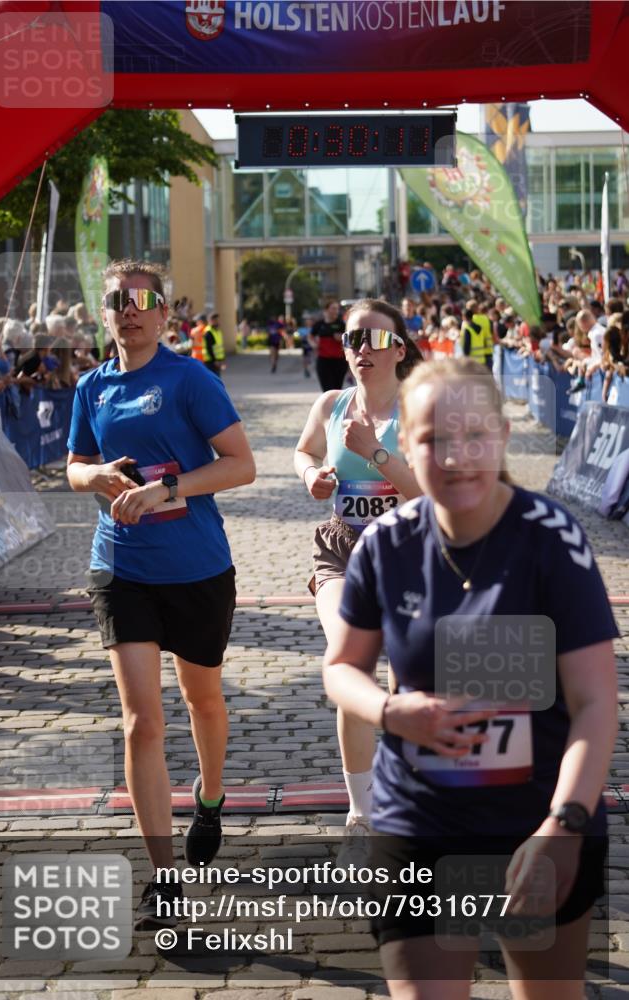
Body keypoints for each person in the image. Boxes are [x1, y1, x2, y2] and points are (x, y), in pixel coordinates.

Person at [323, 357, 618, 999]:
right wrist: (388, 711)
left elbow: (596, 703)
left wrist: (563, 825)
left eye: (475, 438)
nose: (457, 458)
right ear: (402, 443)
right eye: (433, 440)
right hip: (419, 817)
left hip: (537, 817)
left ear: (504, 438)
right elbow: (342, 667)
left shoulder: (552, 541)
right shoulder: (386, 545)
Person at [66, 259, 255, 930]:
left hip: (198, 568)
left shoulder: (189, 378)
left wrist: (167, 490)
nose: (129, 309)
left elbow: (242, 464)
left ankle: (209, 796)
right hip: (121, 568)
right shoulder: (91, 386)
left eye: (143, 299)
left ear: (164, 314)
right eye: (118, 299)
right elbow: (73, 464)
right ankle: (164, 877)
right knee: (142, 719)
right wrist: (91, 478)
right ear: (105, 309)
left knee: (202, 700)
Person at [294, 298, 422, 853]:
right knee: (349, 666)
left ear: (399, 347)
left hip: (409, 553)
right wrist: (313, 477)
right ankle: (361, 811)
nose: (359, 350)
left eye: (372, 339)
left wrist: (375, 453)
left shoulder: (421, 410)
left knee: (405, 683)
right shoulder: (331, 403)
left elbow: (429, 491)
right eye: (351, 340)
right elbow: (302, 452)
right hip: (342, 550)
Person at [310, 300, 347, 391]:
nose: (336, 311)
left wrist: (342, 338)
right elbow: (310, 336)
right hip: (324, 361)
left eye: (337, 309)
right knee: (327, 390)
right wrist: (314, 344)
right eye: (333, 308)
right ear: (326, 310)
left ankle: (336, 405)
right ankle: (329, 405)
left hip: (339, 361)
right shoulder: (319, 324)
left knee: (337, 390)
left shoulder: (341, 324)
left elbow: (349, 339)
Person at [203, 312, 226, 376]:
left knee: (217, 380)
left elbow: (220, 347)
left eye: (218, 320)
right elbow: (209, 348)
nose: (218, 322)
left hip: (217, 361)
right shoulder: (208, 332)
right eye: (216, 320)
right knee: (213, 381)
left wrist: (222, 360)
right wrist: (214, 361)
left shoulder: (217, 331)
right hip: (211, 362)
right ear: (211, 321)